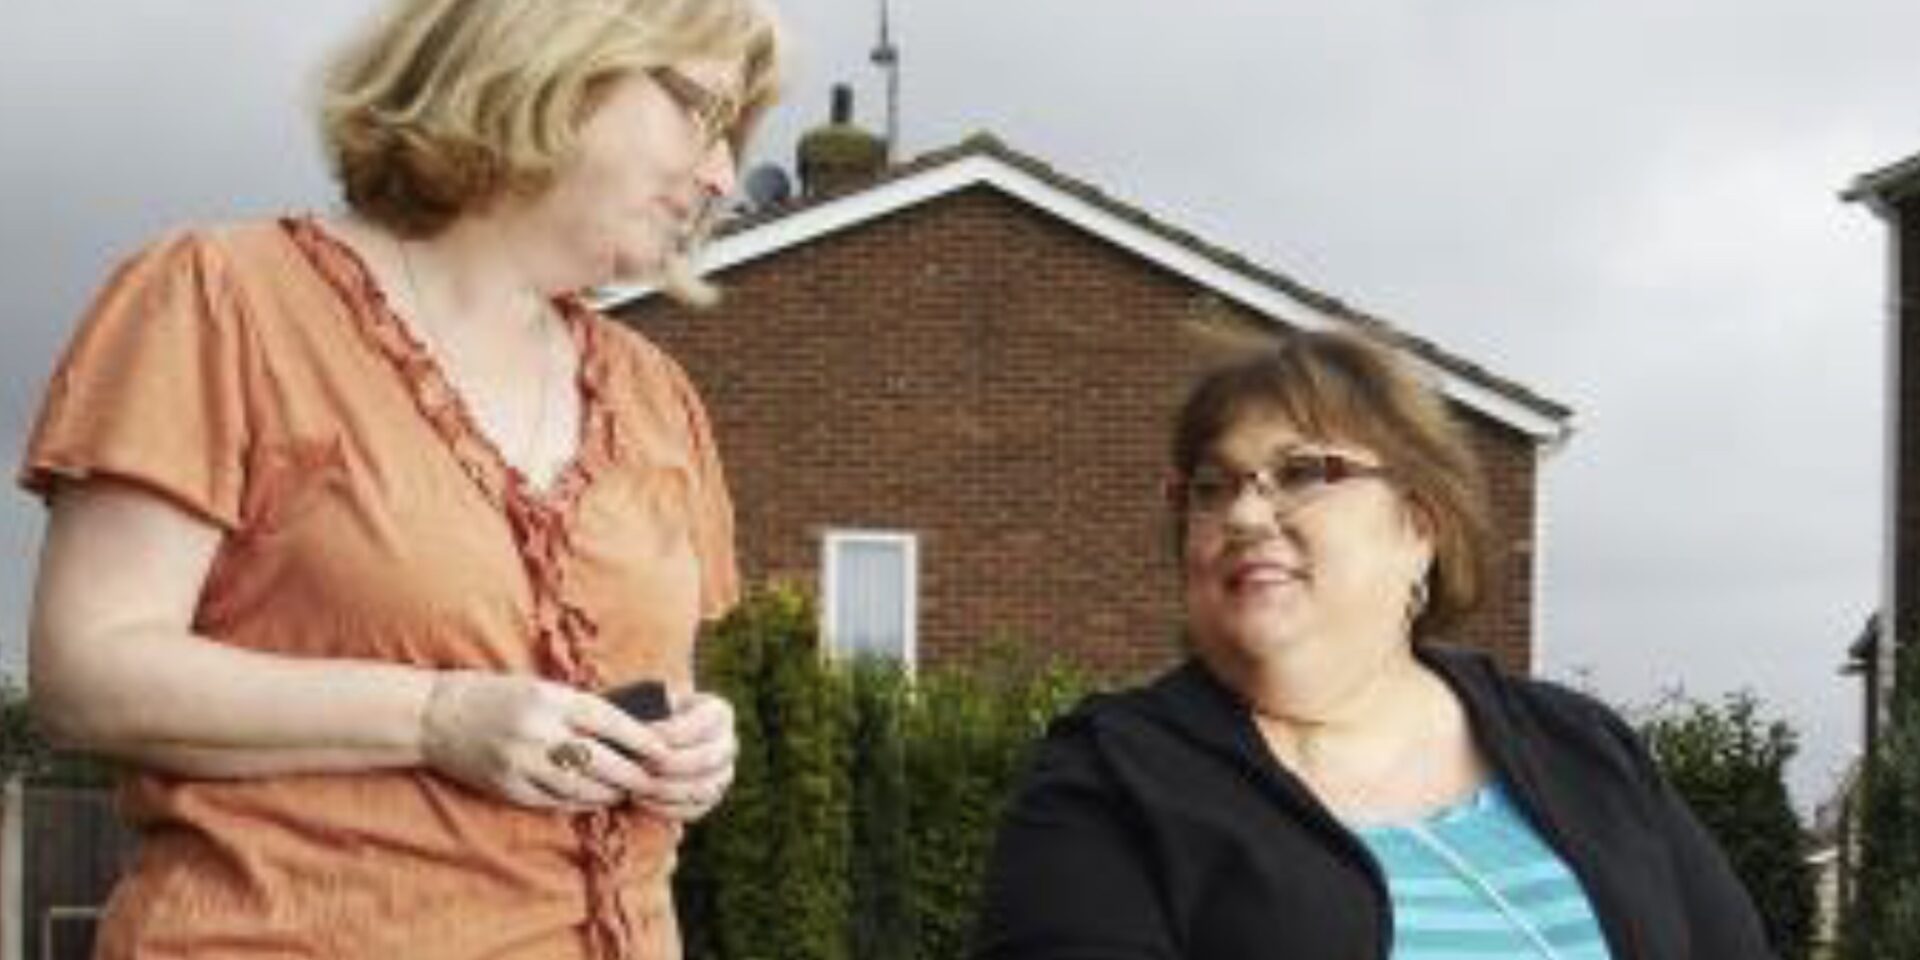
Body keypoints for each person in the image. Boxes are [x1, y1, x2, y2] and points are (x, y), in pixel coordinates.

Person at [21, 0, 781, 956]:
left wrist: (693, 746)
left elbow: (643, 690)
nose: (722, 175)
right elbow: (89, 672)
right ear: (557, 57)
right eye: (705, 116)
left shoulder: (656, 397)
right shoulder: (226, 299)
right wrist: (434, 717)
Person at [971, 331, 1775, 959]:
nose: (1246, 517)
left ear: (1419, 525)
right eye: (1213, 489)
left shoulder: (1586, 751)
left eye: (1302, 473)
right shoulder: (1113, 777)